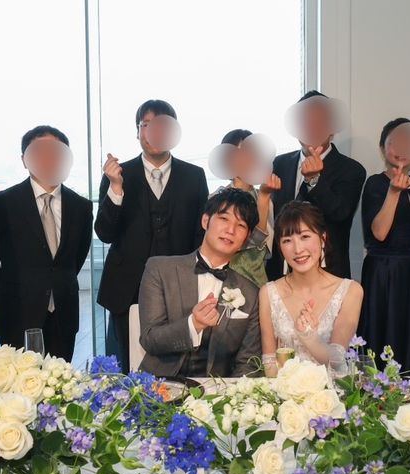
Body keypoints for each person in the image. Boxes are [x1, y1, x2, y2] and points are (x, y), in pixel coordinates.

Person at [95, 99, 209, 372]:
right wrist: (116, 189)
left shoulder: (194, 176)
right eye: (146, 125)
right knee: (125, 365)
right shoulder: (117, 175)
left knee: (177, 362)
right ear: (137, 132)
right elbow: (105, 233)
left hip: (179, 286)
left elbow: (200, 235)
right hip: (126, 288)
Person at [138, 188, 261, 378]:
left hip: (218, 389)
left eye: (241, 225)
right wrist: (193, 324)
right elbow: (150, 339)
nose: (230, 230)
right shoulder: (159, 270)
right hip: (160, 384)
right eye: (224, 219)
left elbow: (248, 362)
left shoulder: (250, 293)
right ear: (205, 221)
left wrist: (231, 394)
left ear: (246, 239)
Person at [0, 126, 93, 361]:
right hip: (17, 311)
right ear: (24, 159)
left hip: (63, 312)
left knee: (61, 380)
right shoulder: (2, 203)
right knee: (16, 380)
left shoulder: (81, 206)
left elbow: (77, 256)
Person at [358, 118, 410, 371]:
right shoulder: (374, 183)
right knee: (379, 342)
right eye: (395, 142)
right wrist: (393, 192)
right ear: (383, 148)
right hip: (381, 273)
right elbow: (379, 233)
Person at [266, 90, 366, 280]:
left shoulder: (352, 170)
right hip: (280, 273)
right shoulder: (279, 163)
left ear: (332, 128)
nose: (312, 127)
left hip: (328, 273)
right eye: (305, 121)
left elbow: (340, 214)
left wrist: (314, 180)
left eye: (320, 122)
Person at [259, 201, 363, 377]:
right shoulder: (268, 293)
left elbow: (337, 363)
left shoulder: (351, 291)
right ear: (280, 247)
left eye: (305, 237)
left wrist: (309, 338)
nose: (298, 249)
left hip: (332, 390)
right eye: (287, 241)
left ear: (323, 238)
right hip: (283, 391)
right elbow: (269, 363)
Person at [211, 129, 280, 287]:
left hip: (259, 280)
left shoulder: (266, 198)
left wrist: (264, 197)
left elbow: (264, 248)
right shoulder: (217, 198)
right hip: (224, 279)